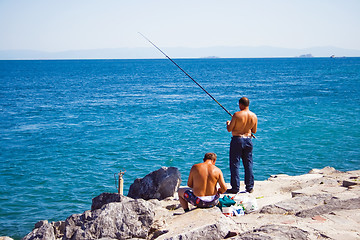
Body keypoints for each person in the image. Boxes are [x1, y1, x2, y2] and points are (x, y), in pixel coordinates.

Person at [226, 97, 257, 194]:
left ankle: (235, 188)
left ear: (241, 104)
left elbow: (229, 129)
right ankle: (250, 187)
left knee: (235, 164)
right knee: (248, 164)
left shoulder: (237, 114)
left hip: (237, 140)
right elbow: (254, 131)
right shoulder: (254, 116)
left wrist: (228, 123)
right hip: (248, 140)